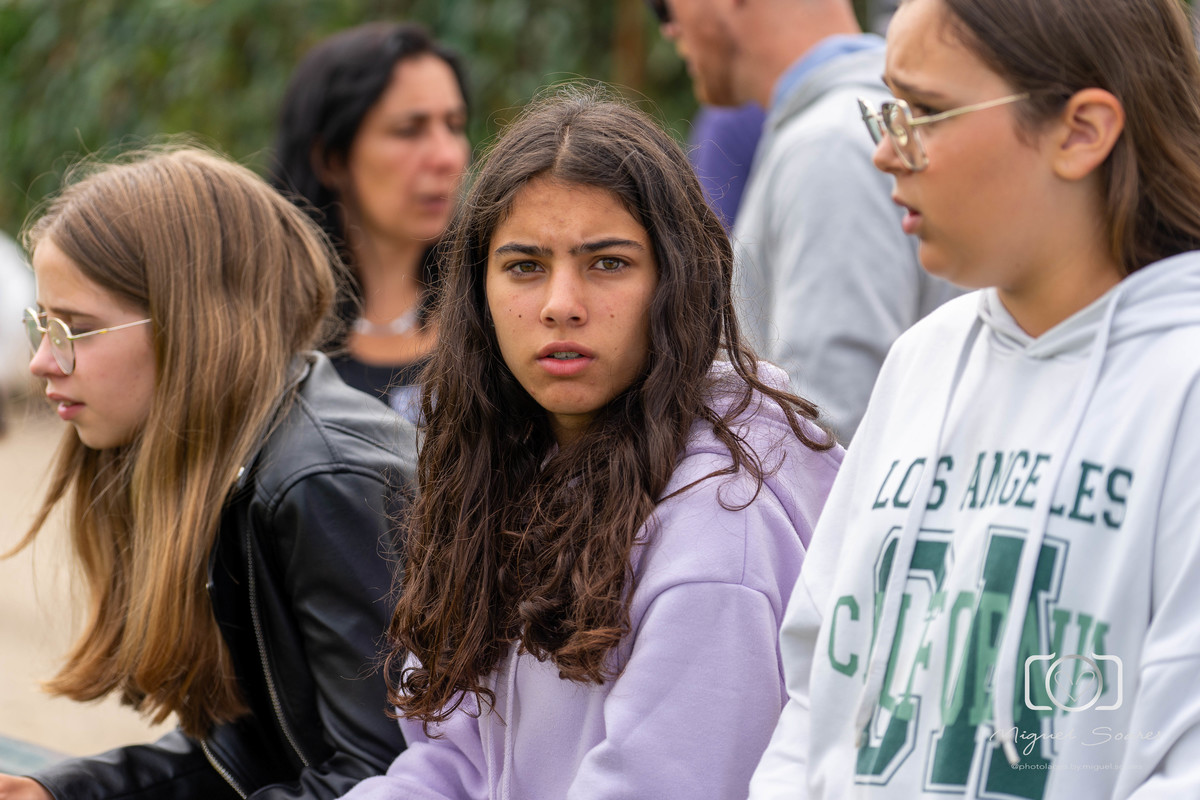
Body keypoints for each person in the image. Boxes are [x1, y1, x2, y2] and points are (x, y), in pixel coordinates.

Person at [339, 87, 844, 800]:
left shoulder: (723, 524)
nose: (560, 305)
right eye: (525, 266)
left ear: (677, 279)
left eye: (607, 263)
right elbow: (456, 763)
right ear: (478, 292)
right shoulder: (508, 461)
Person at [750, 0, 1200, 796]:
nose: (885, 150)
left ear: (1081, 132)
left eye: (924, 111)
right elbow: (815, 695)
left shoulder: (1181, 383)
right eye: (887, 108)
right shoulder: (921, 362)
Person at [0, 147, 416, 799]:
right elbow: (251, 752)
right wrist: (63, 793)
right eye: (41, 325)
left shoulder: (320, 482)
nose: (42, 361)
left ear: (191, 323)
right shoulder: (237, 457)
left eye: (75, 329)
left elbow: (383, 780)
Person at [652, 0, 961, 442]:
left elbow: (824, 429)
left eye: (661, 7)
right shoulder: (842, 126)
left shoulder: (829, 146)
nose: (667, 27)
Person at [271, 22, 470, 423]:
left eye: (454, 126)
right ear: (332, 159)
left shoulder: (489, 307)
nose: (447, 156)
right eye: (409, 131)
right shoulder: (270, 333)